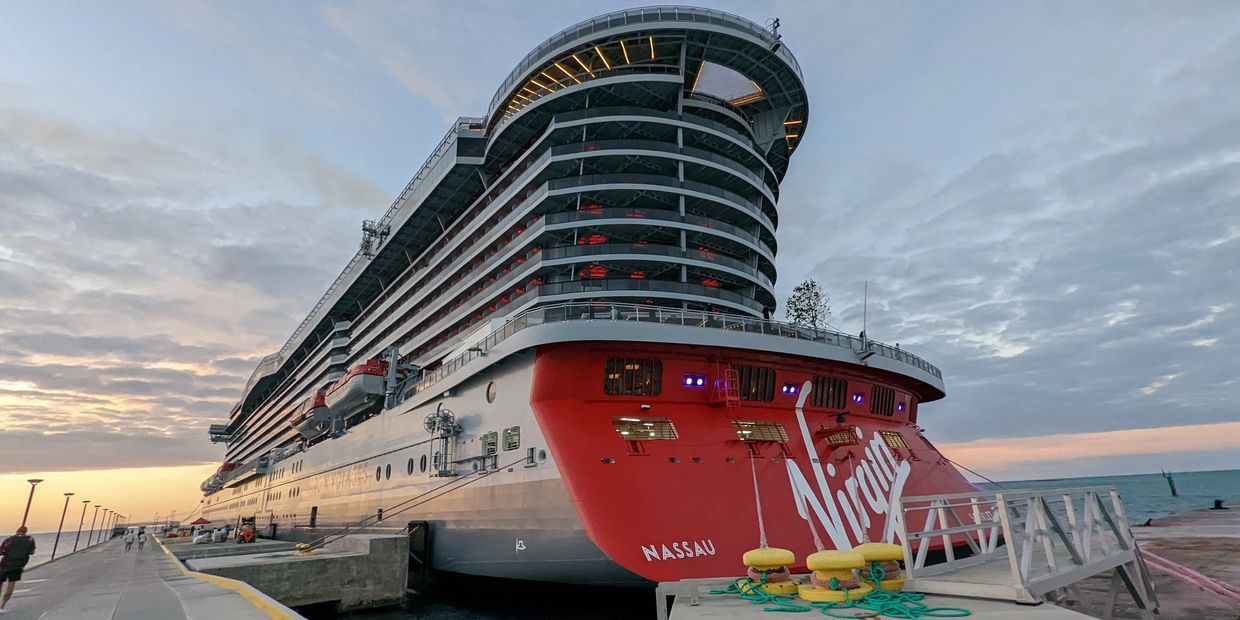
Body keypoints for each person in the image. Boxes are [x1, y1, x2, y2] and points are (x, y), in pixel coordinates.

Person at [0, 526, 36, 612]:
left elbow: (1, 551)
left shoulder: (9, 540)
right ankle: (2, 606)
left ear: (17, 531)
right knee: (11, 585)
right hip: (18, 566)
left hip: (5, 564)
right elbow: (32, 552)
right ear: (25, 532)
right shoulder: (30, 540)